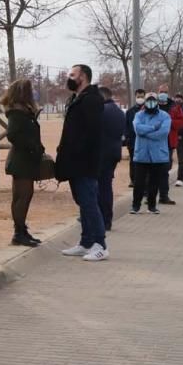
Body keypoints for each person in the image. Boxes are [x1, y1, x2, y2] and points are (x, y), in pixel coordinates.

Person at [55, 64, 107, 261]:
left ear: (83, 77)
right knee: (83, 203)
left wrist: (78, 153)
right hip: (74, 162)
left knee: (89, 203)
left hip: (85, 162)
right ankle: (86, 242)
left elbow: (92, 133)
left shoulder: (92, 100)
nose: (69, 77)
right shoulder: (76, 99)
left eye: (72, 74)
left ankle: (100, 244)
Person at [0, 78, 45, 247]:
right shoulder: (17, 112)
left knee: (23, 196)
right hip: (22, 160)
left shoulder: (22, 110)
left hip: (24, 159)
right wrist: (33, 147)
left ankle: (21, 230)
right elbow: (13, 135)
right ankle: (19, 232)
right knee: (23, 196)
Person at [130, 92, 172, 214]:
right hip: (142, 154)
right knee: (139, 182)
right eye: (148, 100)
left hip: (158, 155)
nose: (151, 102)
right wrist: (154, 128)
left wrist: (146, 132)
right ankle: (135, 206)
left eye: (153, 100)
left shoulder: (165, 116)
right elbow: (138, 129)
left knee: (154, 182)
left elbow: (163, 133)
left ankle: (152, 206)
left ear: (157, 101)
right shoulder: (139, 115)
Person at [98, 87, 126, 232]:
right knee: (106, 186)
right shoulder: (119, 112)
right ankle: (107, 219)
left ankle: (101, 219)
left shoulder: (102, 111)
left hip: (101, 153)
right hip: (114, 152)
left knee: (100, 188)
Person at [157, 85, 182, 204]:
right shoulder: (151, 104)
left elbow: (181, 122)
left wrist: (168, 122)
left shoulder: (175, 107)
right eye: (161, 91)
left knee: (165, 169)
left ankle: (164, 195)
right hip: (154, 142)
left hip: (168, 143)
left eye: (165, 92)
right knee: (152, 170)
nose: (163, 93)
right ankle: (151, 195)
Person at [124, 88, 146, 188]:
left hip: (144, 140)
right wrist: (127, 138)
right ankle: (133, 180)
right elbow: (126, 126)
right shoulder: (130, 111)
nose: (140, 99)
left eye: (142, 97)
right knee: (133, 162)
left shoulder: (148, 110)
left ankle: (143, 180)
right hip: (132, 141)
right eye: (138, 97)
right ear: (135, 97)